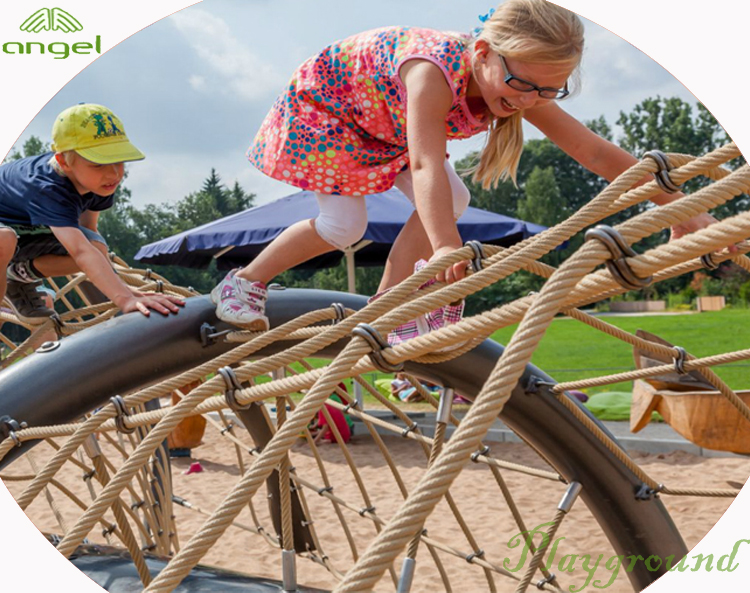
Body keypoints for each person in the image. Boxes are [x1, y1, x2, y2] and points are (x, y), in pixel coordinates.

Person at [211, 0, 717, 336]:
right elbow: (427, 160)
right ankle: (244, 281)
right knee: (346, 225)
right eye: (522, 85)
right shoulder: (431, 72)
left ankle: (388, 305)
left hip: (382, 126)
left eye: (549, 91)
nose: (529, 101)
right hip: (329, 114)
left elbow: (594, 152)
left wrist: (682, 209)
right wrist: (445, 247)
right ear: (483, 54)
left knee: (453, 201)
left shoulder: (520, 84)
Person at [0, 103, 183, 324]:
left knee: (96, 246)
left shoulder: (99, 183)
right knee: (4, 239)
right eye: (98, 164)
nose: (114, 173)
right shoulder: (46, 188)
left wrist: (125, 291)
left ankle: (18, 276)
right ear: (63, 162)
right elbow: (80, 251)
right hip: (6, 236)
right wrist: (124, 299)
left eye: (119, 160)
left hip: (26, 237)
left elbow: (88, 237)